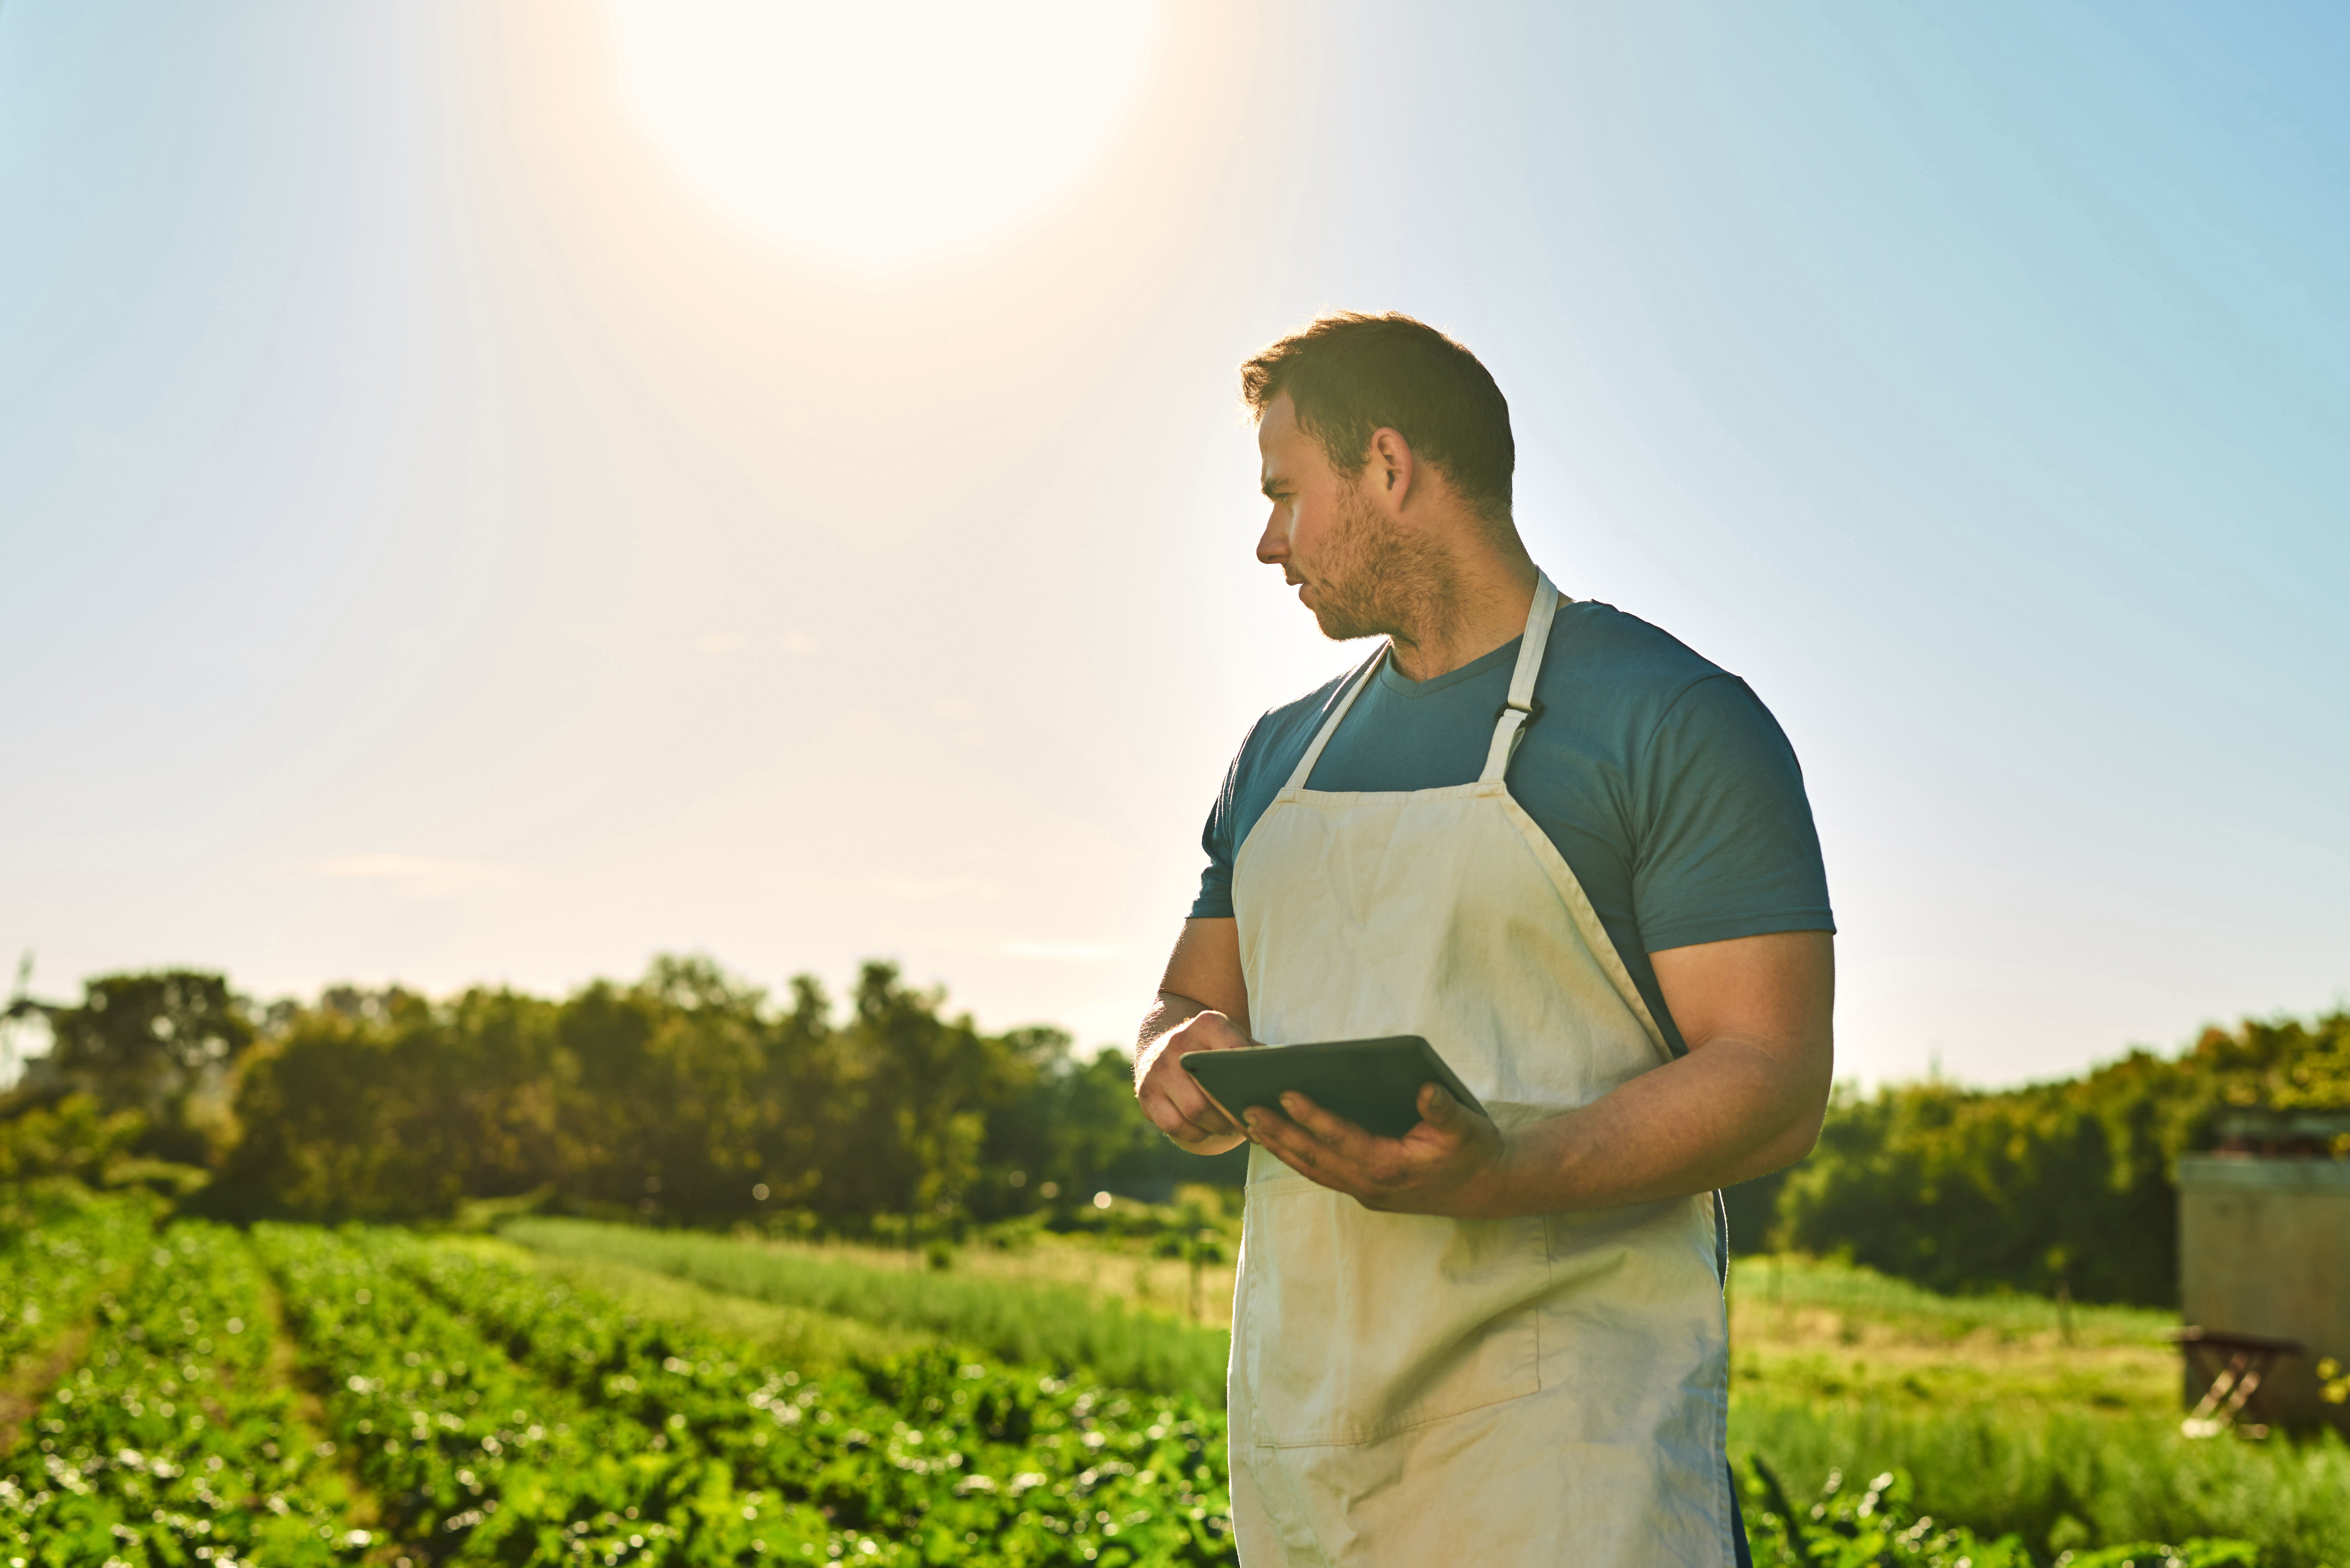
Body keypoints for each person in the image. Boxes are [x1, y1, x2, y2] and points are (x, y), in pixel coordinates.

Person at [1130, 312, 1836, 1566]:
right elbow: (1188, 999)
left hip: (1574, 1455)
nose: (1266, 541)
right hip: (1310, 1442)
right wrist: (1173, 1052)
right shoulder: (1279, 753)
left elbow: (1770, 1082)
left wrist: (1491, 1172)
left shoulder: (1670, 720)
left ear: (1389, 468)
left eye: (1287, 494)